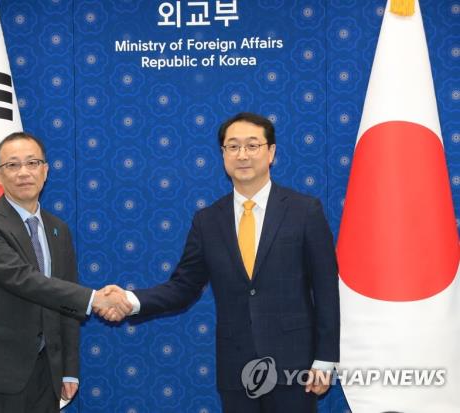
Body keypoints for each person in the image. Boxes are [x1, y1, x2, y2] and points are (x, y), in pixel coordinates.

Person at [105, 113, 340, 413]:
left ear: (271, 153)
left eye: (252, 145)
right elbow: (183, 287)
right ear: (223, 155)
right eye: (233, 146)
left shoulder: (304, 210)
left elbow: (326, 289)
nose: (242, 155)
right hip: (236, 367)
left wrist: (325, 358)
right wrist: (130, 299)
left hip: (295, 367)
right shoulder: (208, 220)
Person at [0, 132, 130, 413]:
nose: (24, 172)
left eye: (32, 163)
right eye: (12, 165)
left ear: (45, 171)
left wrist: (69, 369)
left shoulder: (57, 229)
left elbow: (67, 303)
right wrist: (96, 298)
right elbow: (24, 281)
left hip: (45, 375)